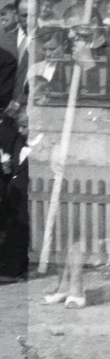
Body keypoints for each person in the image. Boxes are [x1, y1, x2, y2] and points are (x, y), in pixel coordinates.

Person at [0, 107, 29, 279]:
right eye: (18, 126)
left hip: (28, 197)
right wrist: (7, 166)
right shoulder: (19, 140)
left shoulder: (44, 144)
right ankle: (12, 269)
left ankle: (15, 270)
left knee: (19, 233)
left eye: (24, 126)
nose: (20, 131)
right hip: (15, 197)